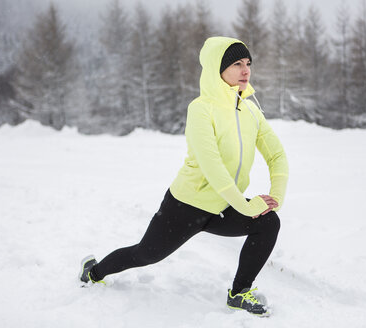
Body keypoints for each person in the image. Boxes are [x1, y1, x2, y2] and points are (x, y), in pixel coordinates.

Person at [79, 36, 288, 317]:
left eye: (248, 63)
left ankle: (239, 293)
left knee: (268, 222)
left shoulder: (250, 110)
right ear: (218, 68)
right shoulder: (201, 109)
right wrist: (245, 205)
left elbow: (276, 155)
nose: (246, 70)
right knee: (146, 254)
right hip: (186, 206)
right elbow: (211, 164)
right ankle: (94, 272)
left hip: (225, 206)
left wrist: (275, 197)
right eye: (237, 63)